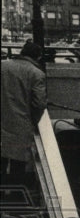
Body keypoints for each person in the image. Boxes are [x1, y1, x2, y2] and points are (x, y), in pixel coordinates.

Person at [1, 40, 47, 179]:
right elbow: (39, 103)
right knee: (17, 164)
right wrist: (33, 121)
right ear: (38, 57)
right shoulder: (36, 73)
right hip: (20, 125)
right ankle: (15, 194)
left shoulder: (3, 66)